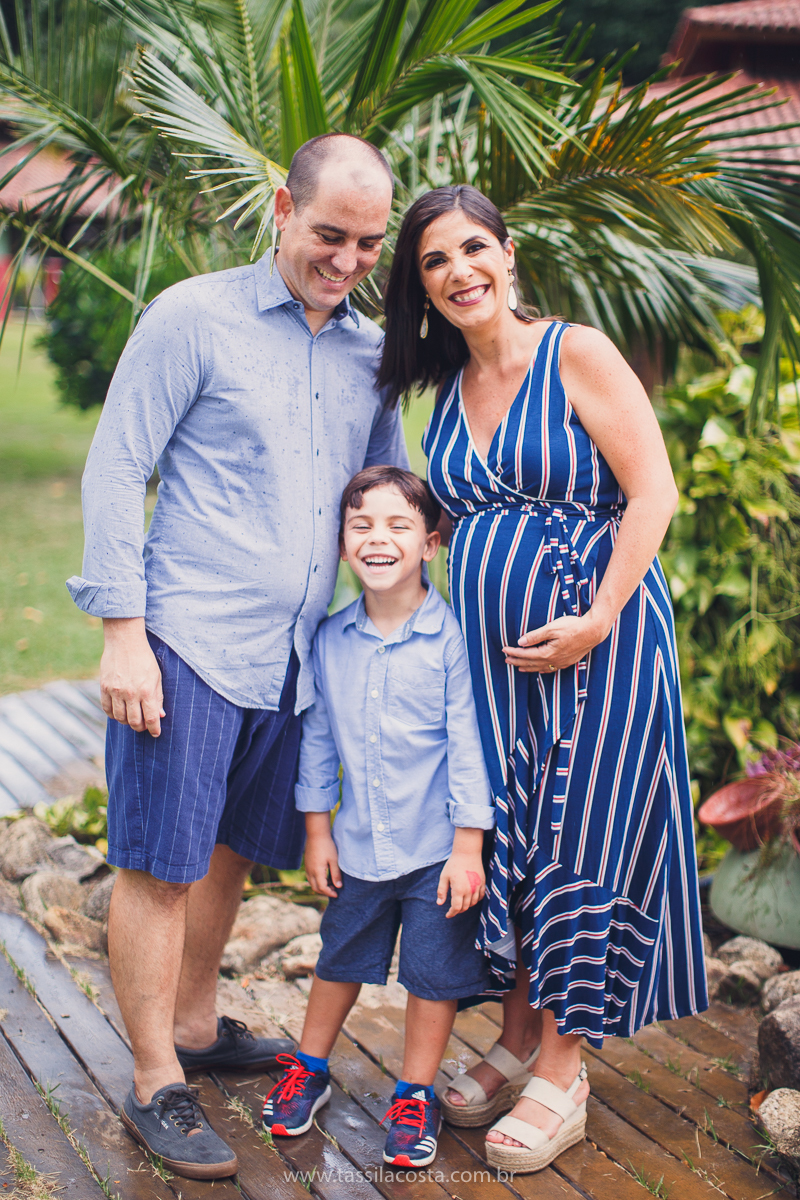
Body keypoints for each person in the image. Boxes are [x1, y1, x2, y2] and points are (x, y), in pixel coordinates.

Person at [65, 134, 408, 1181]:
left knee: (228, 855)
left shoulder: (372, 352)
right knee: (161, 863)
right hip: (186, 642)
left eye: (366, 243)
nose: (346, 260)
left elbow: (384, 487)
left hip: (295, 658)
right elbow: (118, 465)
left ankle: (201, 1026)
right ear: (279, 208)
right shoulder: (192, 317)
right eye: (327, 235)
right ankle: (156, 1078)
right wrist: (123, 632)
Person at [377, 185, 708, 1174]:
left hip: (597, 648)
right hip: (494, 668)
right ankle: (518, 1037)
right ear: (422, 287)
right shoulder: (438, 391)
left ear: (507, 254)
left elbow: (651, 489)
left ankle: (562, 1071)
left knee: (579, 836)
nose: (457, 272)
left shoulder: (575, 353)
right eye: (434, 262)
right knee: (516, 836)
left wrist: (596, 616)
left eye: (471, 248)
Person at [261, 466, 495, 1169]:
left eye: (398, 526)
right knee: (339, 959)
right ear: (341, 544)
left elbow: (468, 745)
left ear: (430, 543)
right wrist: (316, 829)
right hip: (359, 845)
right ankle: (311, 1066)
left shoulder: (452, 639)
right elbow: (319, 738)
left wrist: (467, 847)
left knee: (432, 975)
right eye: (361, 526)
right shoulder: (331, 640)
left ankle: (414, 1093)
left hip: (435, 852)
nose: (378, 539)